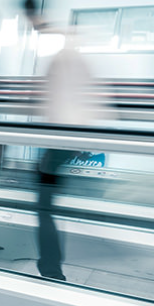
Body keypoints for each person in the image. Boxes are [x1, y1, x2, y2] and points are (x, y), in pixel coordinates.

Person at [35, 36, 101, 281]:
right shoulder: (75, 61)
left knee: (44, 207)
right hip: (62, 142)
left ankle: (51, 269)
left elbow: (57, 101)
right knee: (45, 206)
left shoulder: (64, 60)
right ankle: (51, 266)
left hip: (57, 143)